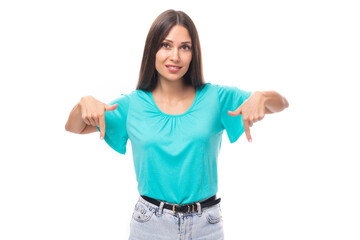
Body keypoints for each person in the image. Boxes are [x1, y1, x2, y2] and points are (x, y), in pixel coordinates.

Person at [65, 9, 289, 240]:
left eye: (185, 47)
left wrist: (263, 96)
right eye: (166, 45)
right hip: (150, 225)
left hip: (206, 226)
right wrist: (83, 105)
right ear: (153, 50)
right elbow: (74, 127)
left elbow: (281, 103)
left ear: (194, 53)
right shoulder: (132, 105)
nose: (175, 56)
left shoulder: (217, 98)